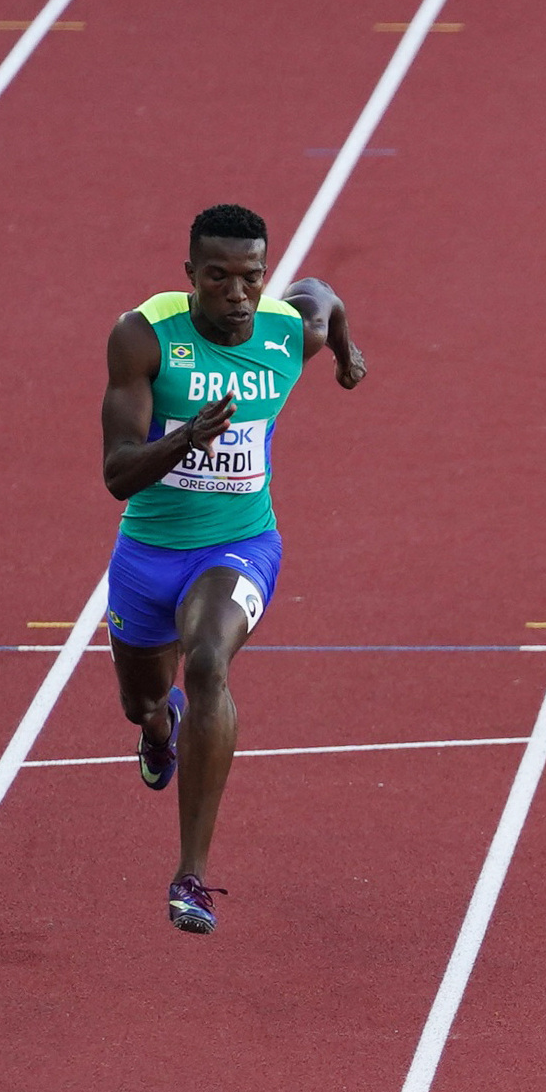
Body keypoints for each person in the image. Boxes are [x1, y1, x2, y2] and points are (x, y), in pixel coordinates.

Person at [100, 204, 365, 934]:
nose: (237, 293)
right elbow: (117, 475)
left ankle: (190, 876)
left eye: (251, 276)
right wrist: (184, 437)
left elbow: (324, 294)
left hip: (240, 546)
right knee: (142, 703)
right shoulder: (145, 336)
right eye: (217, 277)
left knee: (209, 661)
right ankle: (160, 732)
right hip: (148, 554)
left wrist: (344, 351)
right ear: (190, 276)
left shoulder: (287, 330)